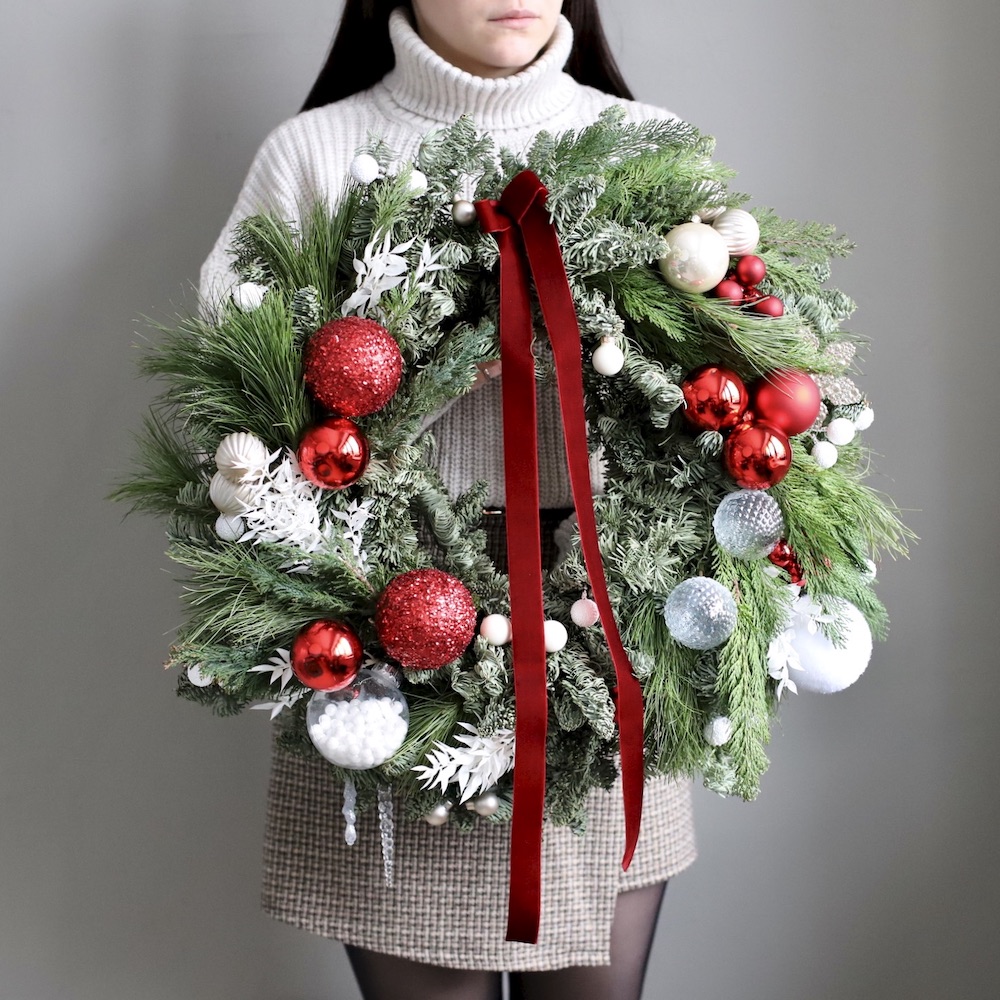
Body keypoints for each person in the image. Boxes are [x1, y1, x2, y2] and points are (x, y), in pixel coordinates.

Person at [199, 3, 696, 998]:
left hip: (605, 656)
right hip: (388, 675)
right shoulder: (318, 156)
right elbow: (230, 417)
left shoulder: (648, 150)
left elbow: (716, 401)